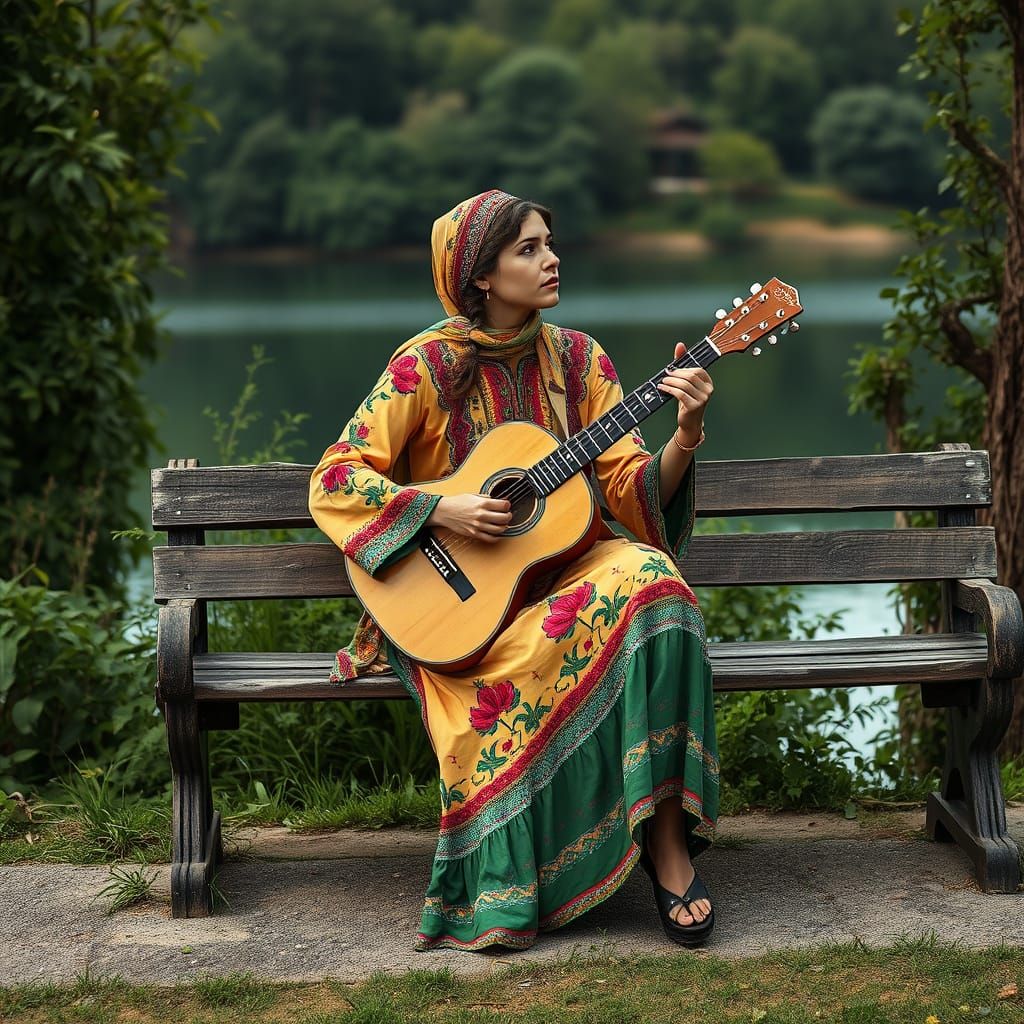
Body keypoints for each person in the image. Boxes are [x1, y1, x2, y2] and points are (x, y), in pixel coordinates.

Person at [307, 189, 718, 952]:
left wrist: (686, 431)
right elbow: (334, 480)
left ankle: (667, 849)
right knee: (608, 610)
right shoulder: (424, 365)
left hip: (569, 574)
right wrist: (441, 511)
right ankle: (520, 877)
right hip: (458, 610)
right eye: (527, 248)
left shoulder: (581, 360)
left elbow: (634, 500)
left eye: (549, 242)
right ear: (481, 276)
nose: (551, 257)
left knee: (660, 588)